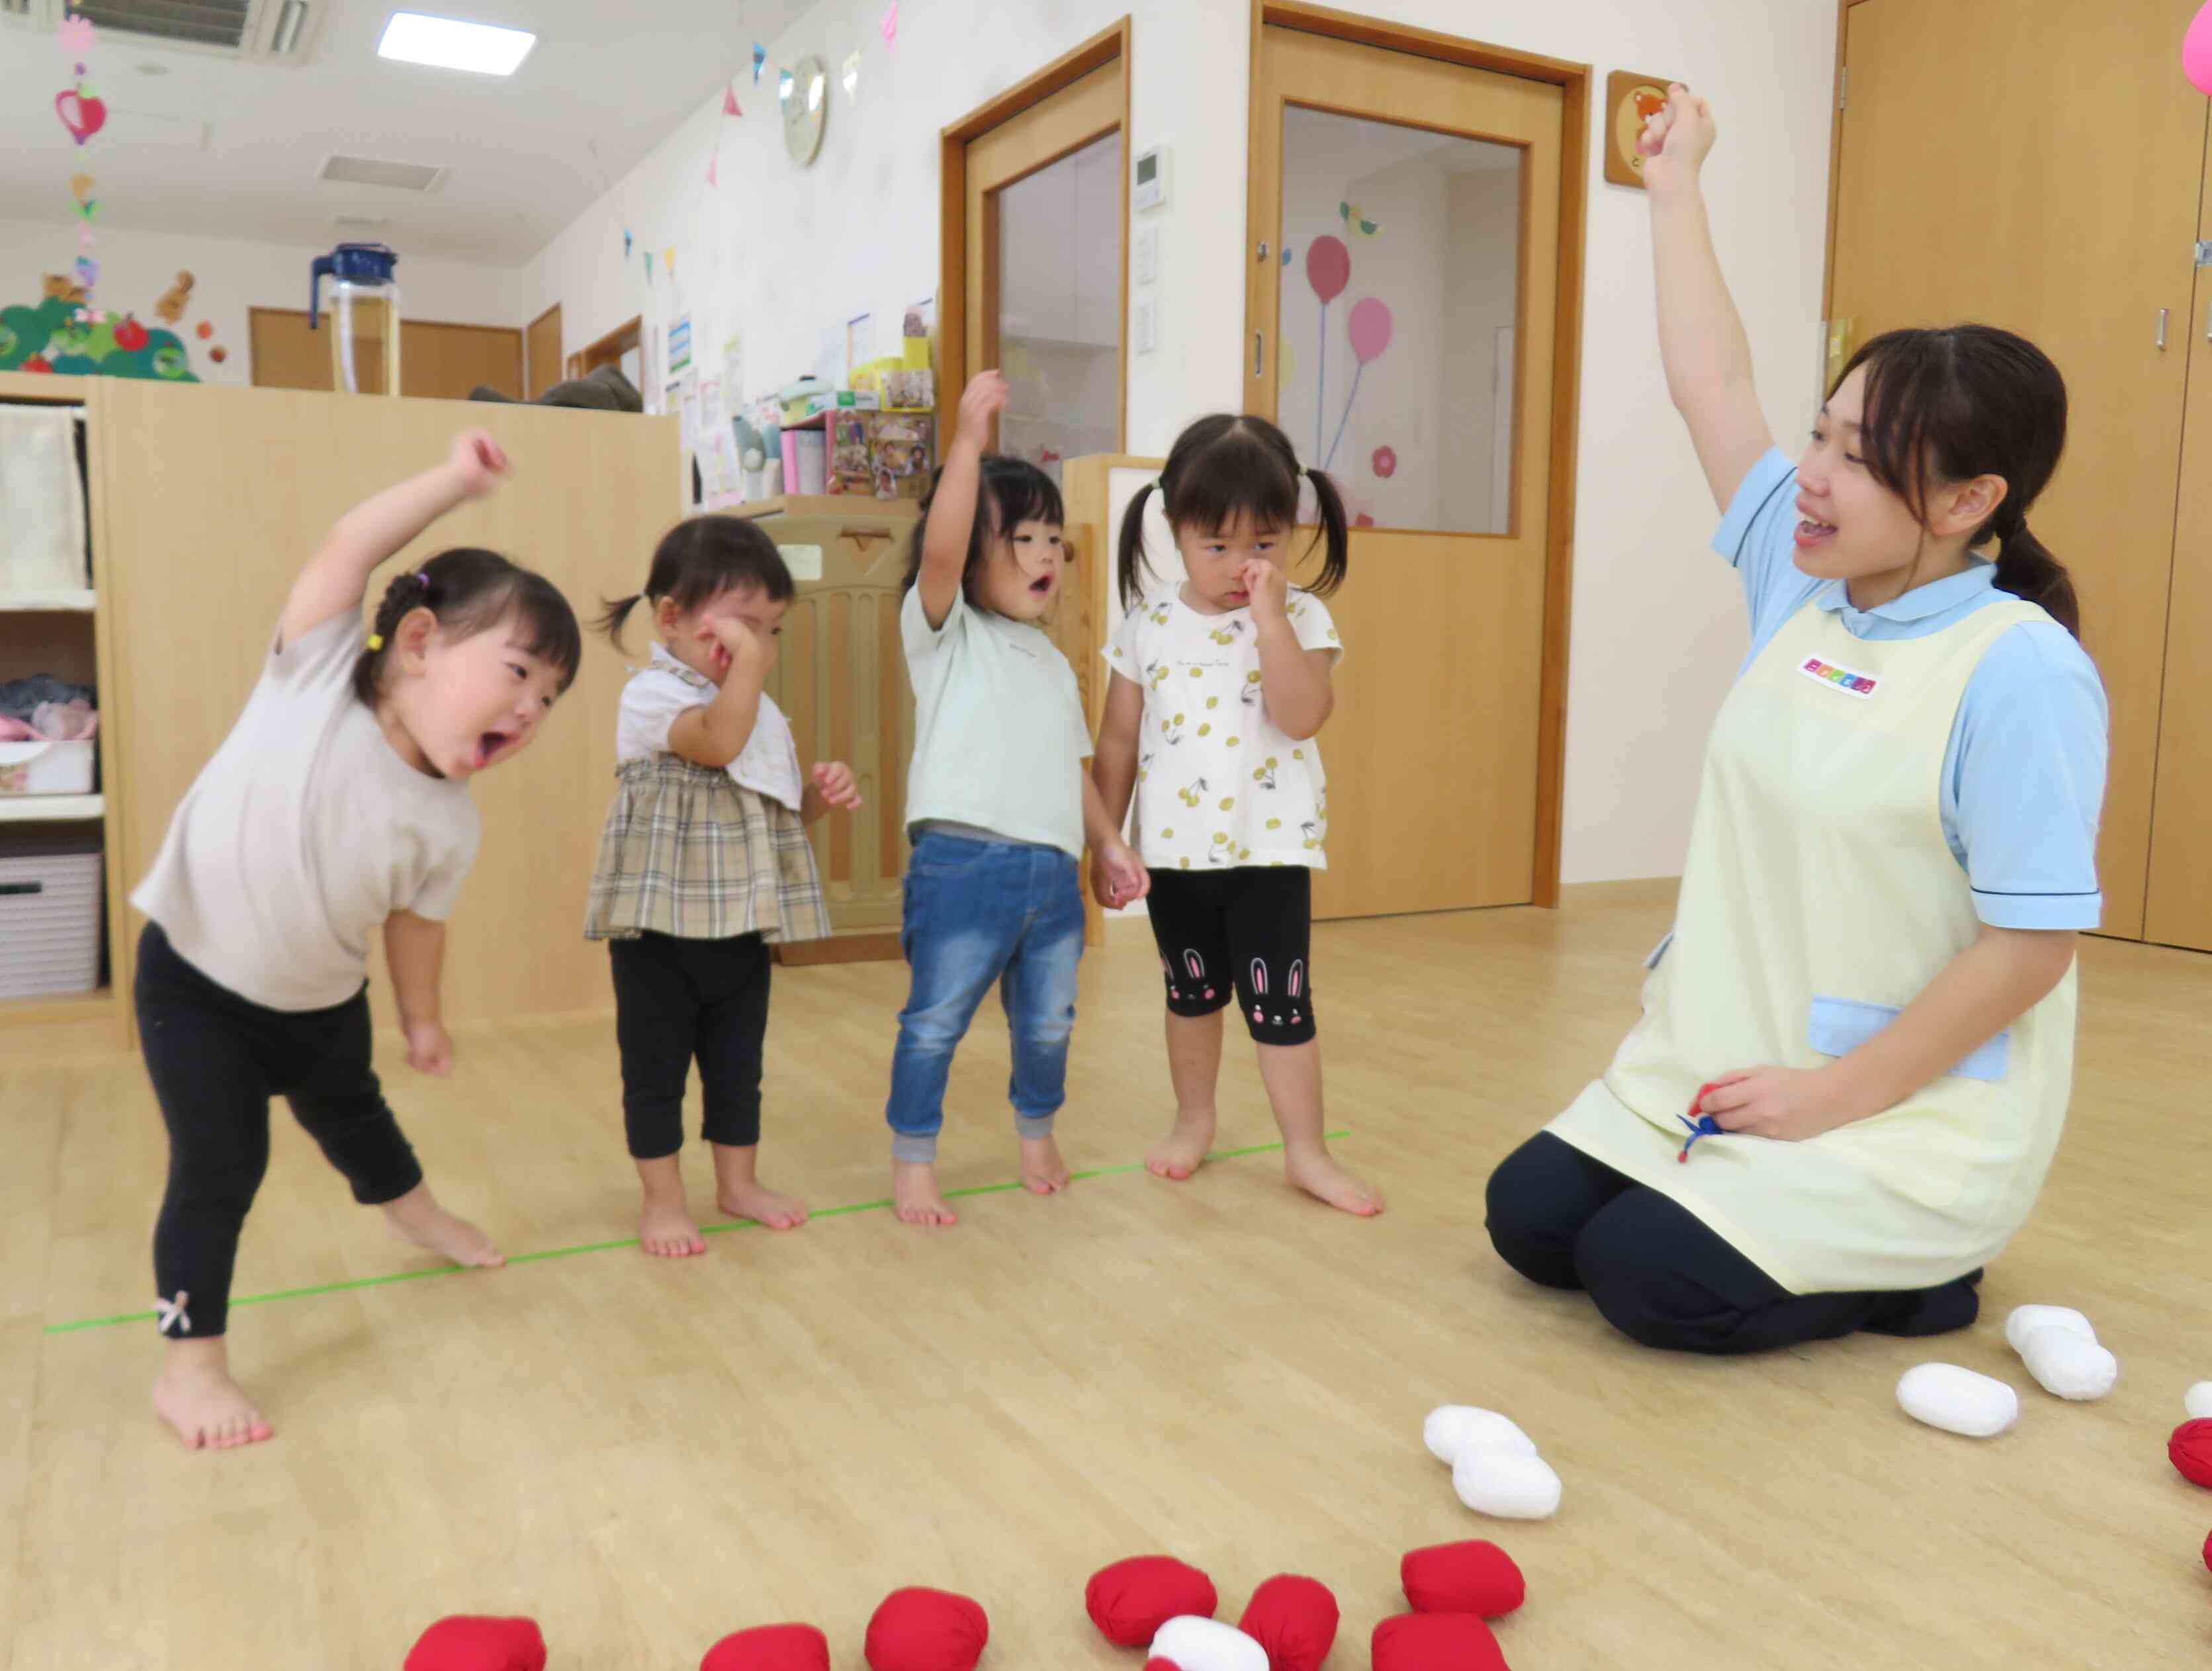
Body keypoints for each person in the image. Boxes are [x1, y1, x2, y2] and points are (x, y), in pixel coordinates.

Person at [1482, 87, 2107, 1353]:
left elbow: (2029, 948)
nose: (1808, 475)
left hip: (1900, 1110)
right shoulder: (1801, 579)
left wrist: (1833, 1099)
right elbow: (1708, 379)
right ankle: (1737, 1186)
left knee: (1643, 1278)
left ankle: (1922, 1275)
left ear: (1965, 498)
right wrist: (1673, 185)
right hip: (1723, 1054)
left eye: (1858, 457)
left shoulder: (2017, 670)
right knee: (1532, 1222)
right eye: (1818, 433)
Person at [132, 431, 582, 1447]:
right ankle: (189, 1362)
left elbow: (416, 923)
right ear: (418, 642)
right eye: (517, 673)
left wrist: (421, 1017)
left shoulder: (449, 816)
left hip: (322, 999)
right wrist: (457, 485)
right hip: (194, 983)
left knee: (360, 1121)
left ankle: (413, 1210)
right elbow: (347, 548)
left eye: (548, 699)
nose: (532, 708)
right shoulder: (315, 673)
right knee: (220, 1165)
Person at [1093, 414, 1382, 1217]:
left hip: (1269, 850)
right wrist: (1107, 842)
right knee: (1190, 994)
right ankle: (1194, 1119)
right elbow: (1117, 741)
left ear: (1289, 535)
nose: (1240, 566)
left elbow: (1300, 716)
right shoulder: (1146, 625)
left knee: (1281, 1004)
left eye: (1262, 544)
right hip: (1177, 858)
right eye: (1215, 546)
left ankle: (1305, 1151)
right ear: (1175, 531)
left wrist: (1270, 623)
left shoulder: (1302, 619)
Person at [886, 369, 1147, 1226]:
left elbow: (1073, 768)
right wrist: (964, 441)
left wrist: (1109, 842)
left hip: (1050, 874)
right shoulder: (944, 634)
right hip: (962, 863)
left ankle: (1036, 1132)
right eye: (1021, 538)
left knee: (1048, 1022)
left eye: (1050, 541)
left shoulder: (1046, 661)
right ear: (970, 558)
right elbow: (938, 550)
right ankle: (914, 1160)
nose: (1044, 555)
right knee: (935, 1021)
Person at [588, 518, 863, 1257]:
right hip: (661, 931)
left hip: (739, 924)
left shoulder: (761, 712)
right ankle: (664, 1198)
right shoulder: (651, 695)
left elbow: (772, 818)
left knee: (738, 1067)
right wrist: (745, 673)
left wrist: (814, 795)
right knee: (655, 1072)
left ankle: (737, 1183)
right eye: (741, 627)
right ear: (671, 617)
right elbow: (715, 742)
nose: (757, 650)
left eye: (770, 631)